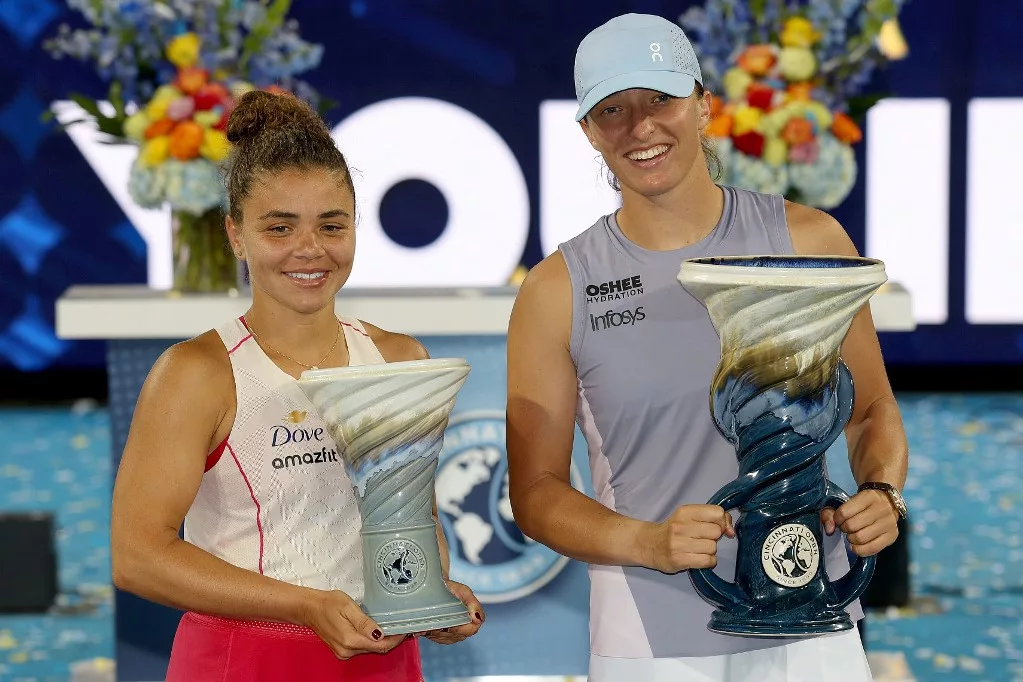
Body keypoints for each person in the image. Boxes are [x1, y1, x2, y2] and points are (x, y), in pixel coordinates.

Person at [506, 13, 908, 682]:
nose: (640, 127)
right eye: (612, 109)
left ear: (702, 105)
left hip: (811, 622)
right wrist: (649, 543)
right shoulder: (557, 290)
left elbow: (870, 412)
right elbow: (535, 491)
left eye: (659, 99)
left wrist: (881, 493)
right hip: (650, 641)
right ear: (588, 132)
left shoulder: (809, 241)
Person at [110, 90, 484, 682]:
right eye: (279, 228)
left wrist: (432, 596)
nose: (310, 249)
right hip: (242, 662)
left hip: (381, 659)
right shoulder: (196, 373)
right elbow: (137, 556)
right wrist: (305, 606)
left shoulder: (398, 357)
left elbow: (414, 517)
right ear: (236, 235)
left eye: (331, 225)